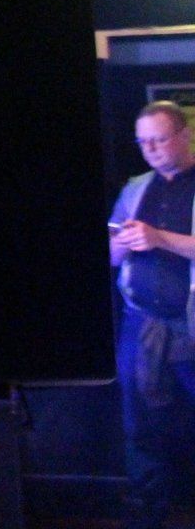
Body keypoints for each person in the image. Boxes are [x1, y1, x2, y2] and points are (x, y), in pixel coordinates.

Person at [110, 100, 195, 529]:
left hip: (191, 326)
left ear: (184, 134)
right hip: (142, 323)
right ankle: (148, 513)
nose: (151, 150)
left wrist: (159, 237)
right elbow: (109, 253)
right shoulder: (136, 187)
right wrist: (122, 244)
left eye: (159, 139)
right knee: (140, 423)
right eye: (143, 142)